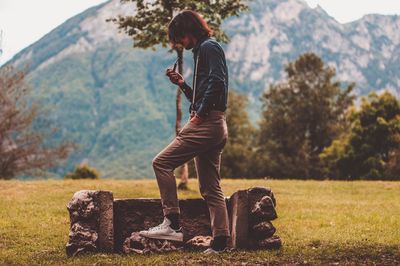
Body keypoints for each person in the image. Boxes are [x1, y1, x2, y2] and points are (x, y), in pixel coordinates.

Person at [139, 10, 230, 253]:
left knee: (161, 163)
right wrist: (183, 85)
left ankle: (172, 224)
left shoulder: (210, 47)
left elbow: (218, 83)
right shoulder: (203, 51)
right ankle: (220, 243)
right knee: (211, 188)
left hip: (207, 123)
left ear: (189, 30)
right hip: (215, 123)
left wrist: (199, 115)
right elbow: (204, 93)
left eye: (179, 37)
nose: (179, 43)